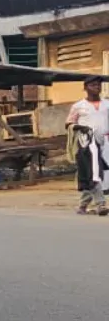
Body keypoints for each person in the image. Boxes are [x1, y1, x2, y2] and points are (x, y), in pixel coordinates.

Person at [66, 74, 109, 215]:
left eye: (98, 85)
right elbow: (69, 123)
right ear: (85, 88)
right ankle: (101, 204)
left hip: (105, 142)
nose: (96, 88)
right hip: (87, 144)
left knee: (96, 173)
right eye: (93, 85)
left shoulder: (106, 104)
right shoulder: (79, 106)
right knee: (93, 172)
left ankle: (83, 205)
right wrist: (81, 127)